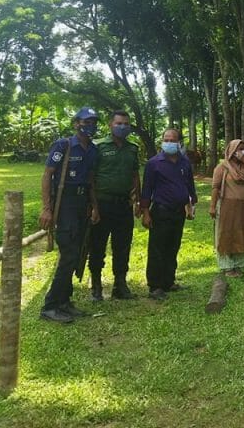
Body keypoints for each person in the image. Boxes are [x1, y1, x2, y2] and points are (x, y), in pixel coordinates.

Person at [38, 106, 100, 323]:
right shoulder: (63, 145)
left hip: (82, 204)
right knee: (68, 255)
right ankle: (50, 305)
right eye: (86, 121)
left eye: (93, 122)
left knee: (77, 253)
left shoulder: (93, 150)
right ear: (76, 124)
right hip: (64, 205)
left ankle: (64, 301)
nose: (90, 125)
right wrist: (46, 208)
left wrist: (94, 207)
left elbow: (91, 180)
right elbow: (47, 176)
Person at [88, 110, 141, 301]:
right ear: (110, 125)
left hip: (123, 206)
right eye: (119, 123)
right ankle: (96, 285)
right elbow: (91, 178)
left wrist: (138, 201)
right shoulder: (98, 146)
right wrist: (93, 206)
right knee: (97, 246)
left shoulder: (132, 149)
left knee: (122, 246)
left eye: (126, 124)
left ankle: (120, 284)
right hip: (102, 204)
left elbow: (135, 176)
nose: (123, 127)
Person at [140, 128, 197, 300]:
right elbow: (147, 189)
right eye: (166, 139)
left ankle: (168, 281)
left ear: (179, 142)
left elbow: (189, 185)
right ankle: (155, 286)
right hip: (160, 211)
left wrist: (190, 205)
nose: (169, 143)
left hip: (178, 212)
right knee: (158, 248)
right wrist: (146, 213)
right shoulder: (154, 163)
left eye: (173, 140)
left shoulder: (184, 162)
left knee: (173, 247)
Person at [209, 139, 244, 277]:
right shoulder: (222, 167)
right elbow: (215, 188)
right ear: (231, 151)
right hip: (227, 206)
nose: (242, 152)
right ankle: (227, 267)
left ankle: (239, 265)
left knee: (242, 233)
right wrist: (212, 206)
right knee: (226, 234)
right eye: (239, 149)